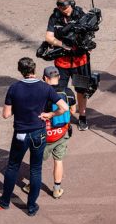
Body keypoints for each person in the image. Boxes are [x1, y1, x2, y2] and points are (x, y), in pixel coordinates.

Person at [0, 57, 68, 216]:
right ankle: (31, 206)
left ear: (20, 71)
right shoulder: (45, 88)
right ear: (34, 70)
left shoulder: (14, 88)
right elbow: (63, 107)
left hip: (21, 133)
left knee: (12, 166)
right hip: (39, 133)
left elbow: (6, 114)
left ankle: (5, 200)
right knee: (36, 169)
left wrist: (19, 108)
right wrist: (50, 114)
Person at [22, 66, 76, 199]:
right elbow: (73, 111)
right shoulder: (68, 92)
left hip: (44, 134)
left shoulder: (39, 93)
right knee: (58, 160)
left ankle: (31, 185)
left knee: (37, 162)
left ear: (45, 78)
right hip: (61, 133)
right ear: (58, 77)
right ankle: (57, 189)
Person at [45, 0, 92, 131]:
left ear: (71, 5)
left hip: (80, 62)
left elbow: (89, 32)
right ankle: (63, 119)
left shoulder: (79, 14)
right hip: (62, 62)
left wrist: (86, 43)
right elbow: (48, 37)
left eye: (66, 8)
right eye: (62, 8)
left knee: (81, 90)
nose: (65, 11)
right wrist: (62, 44)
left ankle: (82, 116)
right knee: (59, 91)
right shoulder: (54, 17)